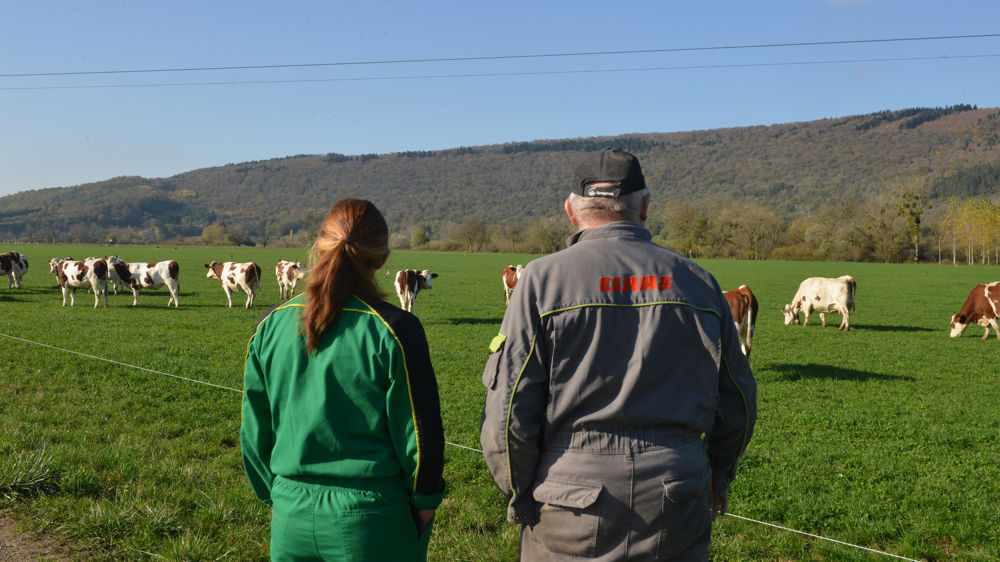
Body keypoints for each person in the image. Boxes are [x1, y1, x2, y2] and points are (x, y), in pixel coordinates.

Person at [480, 148, 757, 561]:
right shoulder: (699, 283)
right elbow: (738, 398)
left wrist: (519, 492)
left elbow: (509, 410)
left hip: (569, 501)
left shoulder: (540, 281)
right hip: (677, 495)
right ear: (644, 207)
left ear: (571, 212)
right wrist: (718, 472)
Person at [241, 198, 445, 561]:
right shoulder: (397, 330)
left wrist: (279, 495)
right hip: (374, 519)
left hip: (290, 515)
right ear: (382, 259)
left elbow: (254, 433)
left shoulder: (269, 325)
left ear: (319, 248)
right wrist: (425, 502)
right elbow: (421, 433)